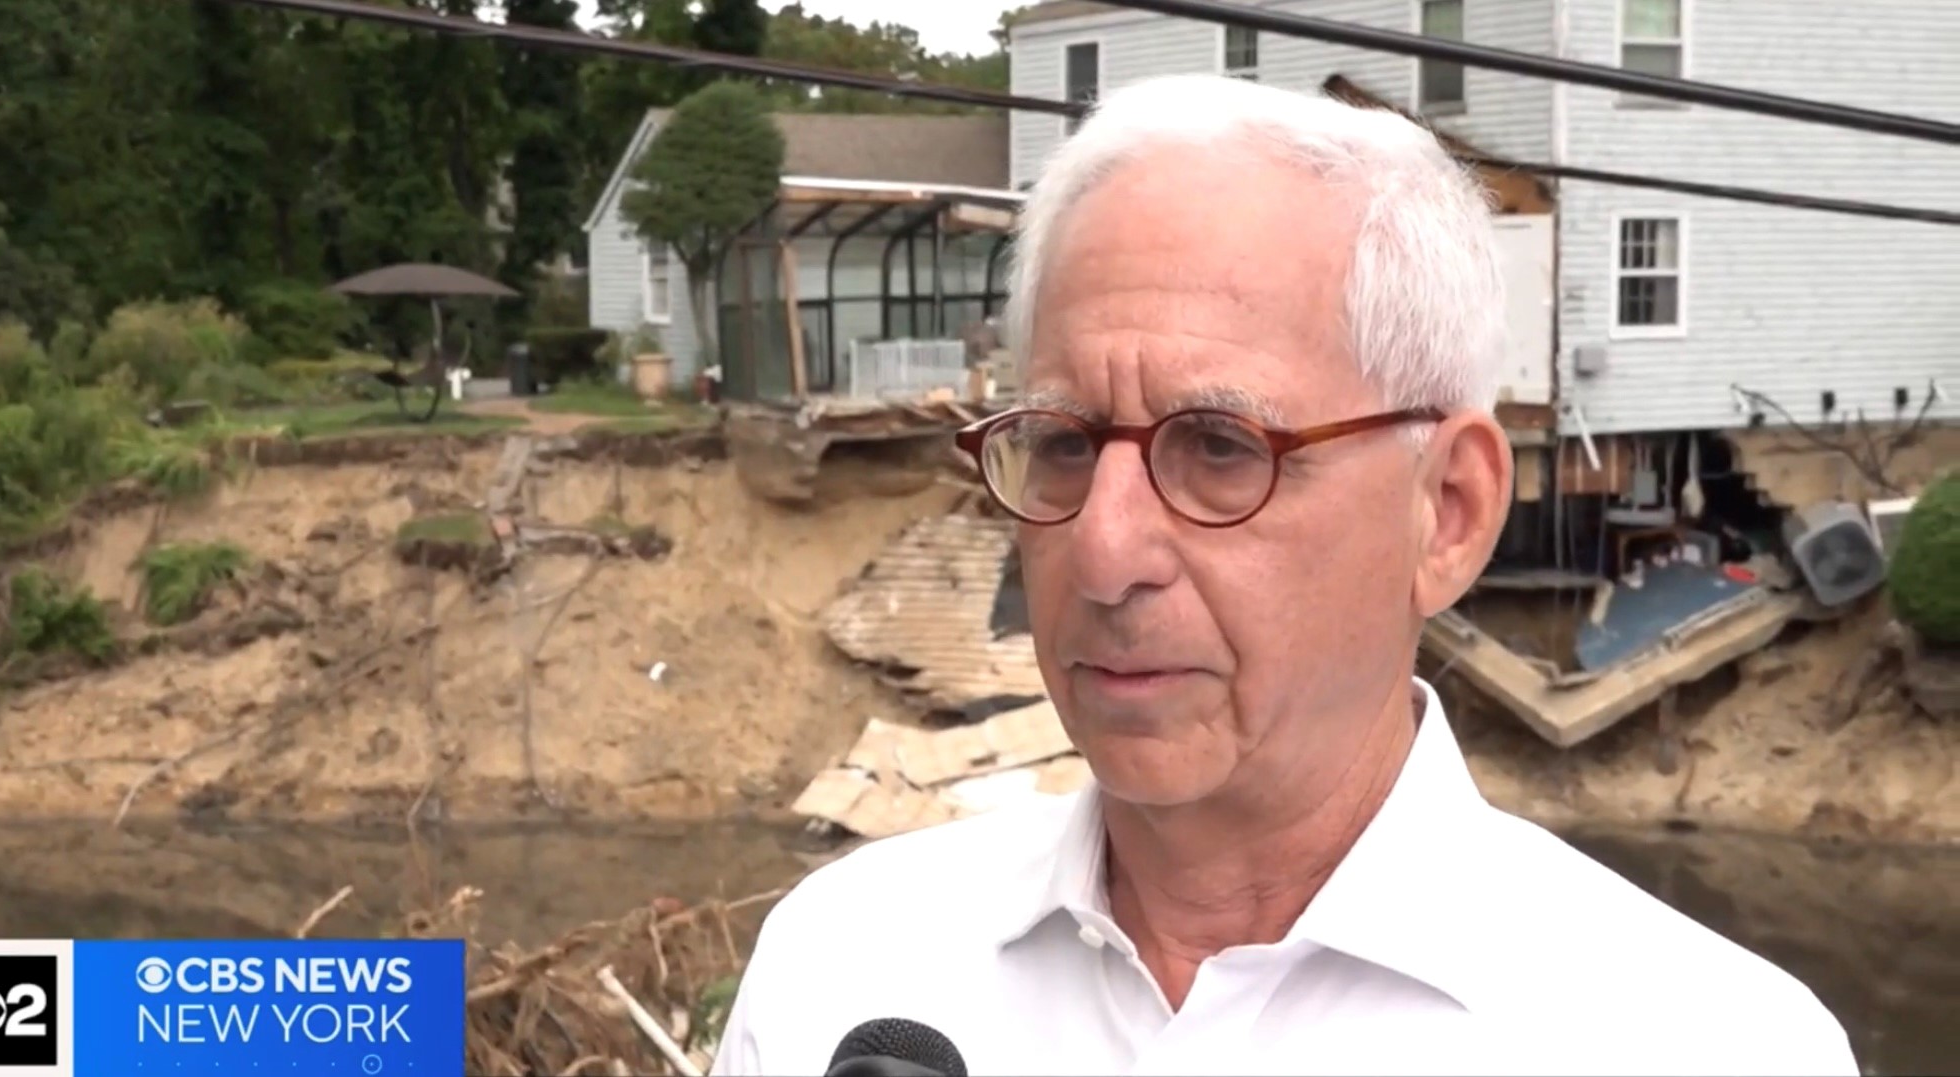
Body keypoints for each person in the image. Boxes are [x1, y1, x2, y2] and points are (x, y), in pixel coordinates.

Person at [710, 75, 1856, 1077]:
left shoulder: (1704, 1046)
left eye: (1218, 450)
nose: (1102, 552)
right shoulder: (845, 965)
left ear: (1445, 513)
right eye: (1062, 442)